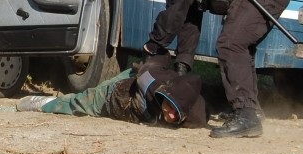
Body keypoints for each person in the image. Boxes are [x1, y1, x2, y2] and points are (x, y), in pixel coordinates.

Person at [132, 0, 291, 138]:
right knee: (238, 44)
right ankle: (251, 110)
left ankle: (247, 115)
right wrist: (183, 66)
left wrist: (153, 44)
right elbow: (189, 19)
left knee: (231, 43)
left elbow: (174, 14)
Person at [16, 53, 207, 128]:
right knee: (79, 102)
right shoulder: (151, 83)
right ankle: (43, 104)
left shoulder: (194, 113)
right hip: (113, 94)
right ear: (165, 94)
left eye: (176, 113)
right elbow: (156, 61)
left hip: (129, 99)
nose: (170, 115)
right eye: (170, 107)